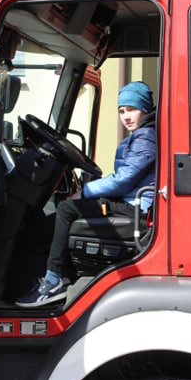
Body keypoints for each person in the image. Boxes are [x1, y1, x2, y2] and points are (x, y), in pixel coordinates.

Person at [16, 81, 157, 307]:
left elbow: (124, 179)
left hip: (135, 207)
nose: (126, 116)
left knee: (65, 208)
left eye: (132, 109)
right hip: (129, 200)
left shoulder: (146, 136)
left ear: (145, 109)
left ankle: (53, 281)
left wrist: (85, 192)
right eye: (122, 111)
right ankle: (63, 273)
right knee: (66, 210)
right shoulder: (142, 135)